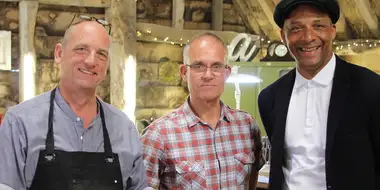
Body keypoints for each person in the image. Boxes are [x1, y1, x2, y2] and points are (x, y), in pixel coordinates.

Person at [0, 15, 150, 190]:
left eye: (101, 54)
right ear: (59, 53)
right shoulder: (19, 123)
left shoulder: (125, 128)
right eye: (81, 49)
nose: (91, 61)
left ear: (107, 64)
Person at [258, 0, 380, 190]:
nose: (308, 37)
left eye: (318, 26)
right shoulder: (270, 98)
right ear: (283, 36)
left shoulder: (370, 88)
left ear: (332, 30)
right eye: (296, 28)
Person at [140, 32, 262, 189]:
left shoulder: (247, 126)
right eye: (198, 66)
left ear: (227, 73)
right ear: (184, 72)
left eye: (217, 66)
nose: (208, 75)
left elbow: (252, 180)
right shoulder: (159, 135)